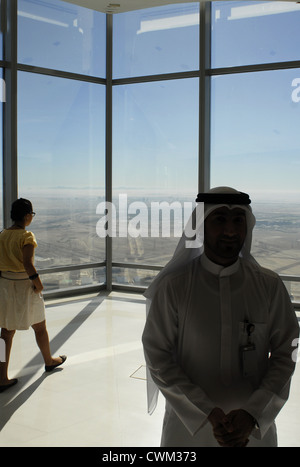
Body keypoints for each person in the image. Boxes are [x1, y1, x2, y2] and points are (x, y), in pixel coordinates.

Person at [142, 186, 299, 447]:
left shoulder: (269, 286)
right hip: (189, 431)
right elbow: (158, 356)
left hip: (254, 431)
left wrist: (253, 414)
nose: (230, 230)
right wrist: (206, 412)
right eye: (219, 220)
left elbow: (287, 353)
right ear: (202, 226)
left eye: (238, 220)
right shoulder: (175, 287)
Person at [0, 198, 66, 392]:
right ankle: (49, 360)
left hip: (5, 286)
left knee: (5, 333)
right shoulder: (27, 236)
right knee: (39, 326)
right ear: (27, 216)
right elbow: (28, 264)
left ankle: (1, 376)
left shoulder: (2, 234)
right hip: (24, 286)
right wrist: (38, 284)